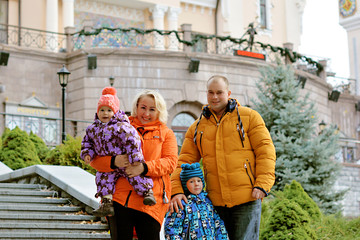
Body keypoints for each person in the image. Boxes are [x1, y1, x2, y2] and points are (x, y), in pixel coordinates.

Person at [170, 75, 276, 240]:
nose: (214, 97)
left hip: (247, 199)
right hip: (214, 203)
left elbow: (265, 151)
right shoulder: (197, 127)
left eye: (219, 92)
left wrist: (263, 184)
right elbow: (184, 161)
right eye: (210, 92)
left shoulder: (249, 117)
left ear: (228, 93)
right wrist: (176, 191)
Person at [89, 89, 178, 240]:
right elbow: (95, 159)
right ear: (136, 107)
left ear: (159, 111)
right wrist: (113, 161)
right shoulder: (117, 126)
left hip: (150, 200)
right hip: (120, 199)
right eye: (143, 107)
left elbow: (170, 162)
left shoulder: (166, 133)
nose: (146, 113)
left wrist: (144, 167)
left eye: (152, 109)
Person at [81, 87, 156, 217]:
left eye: (109, 110)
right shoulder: (92, 129)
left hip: (126, 160)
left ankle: (147, 192)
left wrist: (135, 157)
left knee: (135, 174)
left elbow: (132, 140)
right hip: (109, 165)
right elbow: (87, 143)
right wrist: (87, 154)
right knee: (102, 178)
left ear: (115, 112)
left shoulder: (121, 126)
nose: (105, 113)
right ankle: (107, 203)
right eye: (102, 110)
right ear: (97, 112)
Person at [164, 162, 229, 240]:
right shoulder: (181, 204)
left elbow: (218, 224)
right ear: (185, 184)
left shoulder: (207, 202)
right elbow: (171, 229)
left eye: (199, 181)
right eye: (191, 182)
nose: (196, 184)